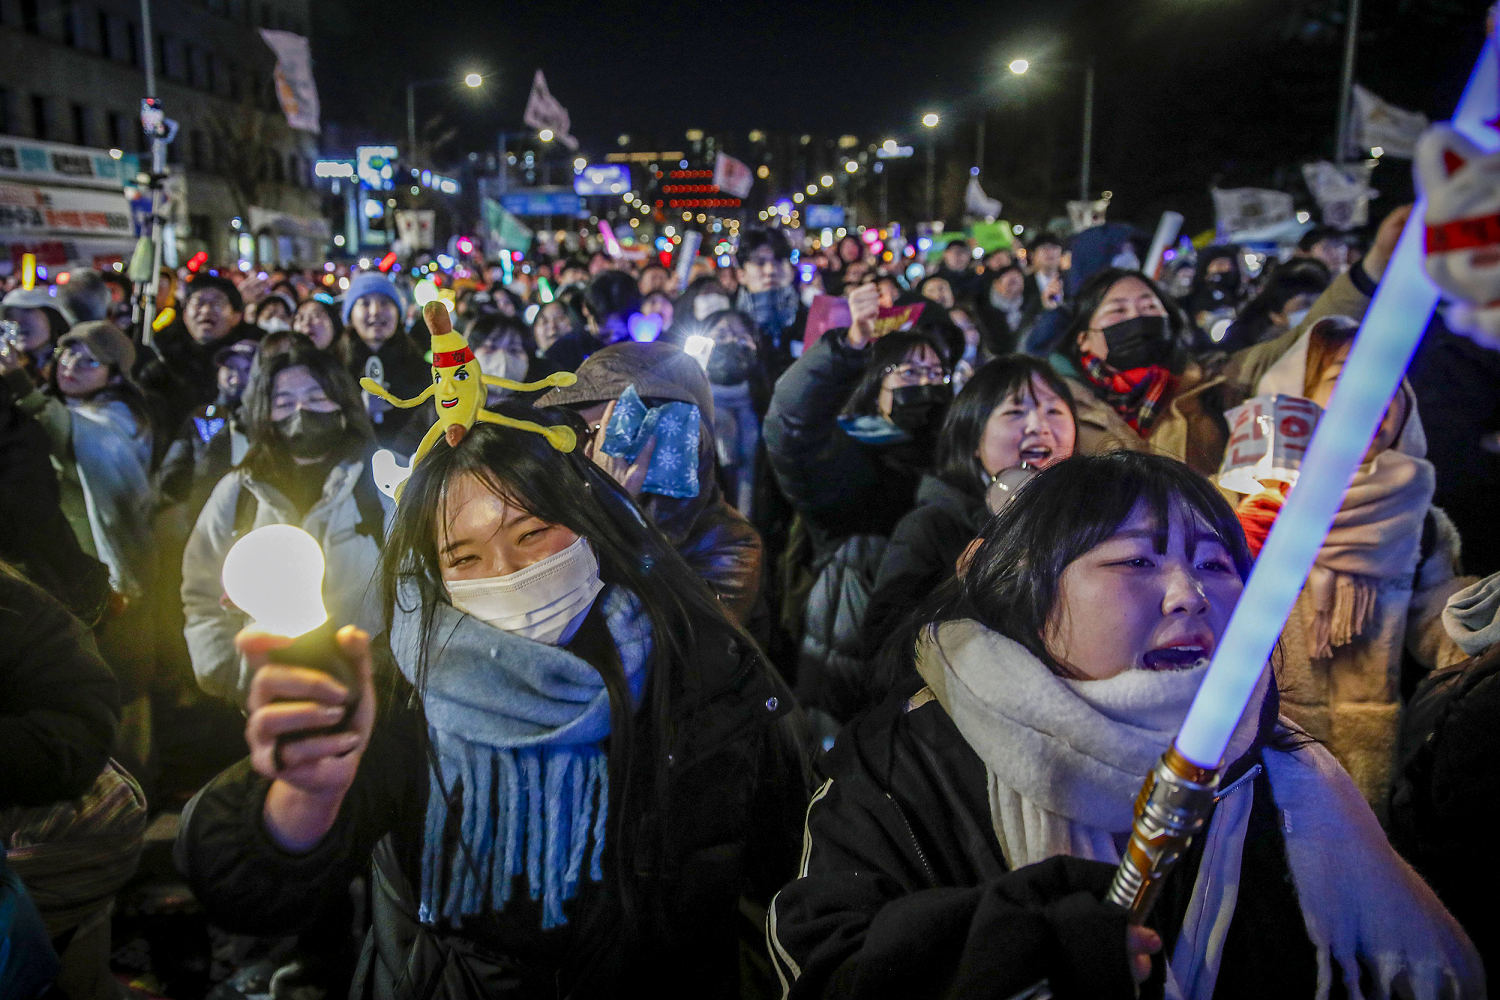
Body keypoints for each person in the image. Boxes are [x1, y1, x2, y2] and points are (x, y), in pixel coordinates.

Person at [767, 451, 1483, 999]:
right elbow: (828, 965)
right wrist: (1008, 953)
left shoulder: (1293, 775)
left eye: (1214, 562)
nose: (1189, 594)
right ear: (1027, 589)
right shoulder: (903, 769)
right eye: (1136, 560)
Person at [175, 405, 806, 998]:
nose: (505, 570)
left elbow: (783, 874)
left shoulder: (703, 671)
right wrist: (305, 796)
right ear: (433, 575)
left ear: (591, 528)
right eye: (464, 556)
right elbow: (253, 890)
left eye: (531, 532)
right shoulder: (401, 689)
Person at [1235, 315, 1470, 815]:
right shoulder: (1240, 505)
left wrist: (1478, 624)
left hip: (1371, 759)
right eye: (1342, 379)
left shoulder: (1419, 521)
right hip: (1258, 750)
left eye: (1386, 381)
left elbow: (1433, 619)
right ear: (1294, 398)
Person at [764, 283, 952, 725]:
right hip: (846, 677)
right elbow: (790, 424)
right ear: (874, 387)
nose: (924, 384)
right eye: (907, 373)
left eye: (935, 373)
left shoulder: (958, 465)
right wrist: (847, 348)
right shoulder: (846, 457)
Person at [182, 338, 387, 706]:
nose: (301, 411)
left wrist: (388, 670)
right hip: (267, 694)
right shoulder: (239, 490)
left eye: (316, 396)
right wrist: (228, 672)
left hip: (372, 692)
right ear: (265, 414)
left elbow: (416, 588)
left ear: (342, 402)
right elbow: (201, 588)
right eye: (284, 402)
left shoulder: (383, 483)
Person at [860, 357, 1077, 686]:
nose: (1039, 425)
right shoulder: (931, 527)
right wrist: (967, 593)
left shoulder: (1094, 525)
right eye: (1014, 412)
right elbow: (885, 654)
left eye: (1055, 411)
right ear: (974, 439)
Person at [538, 340, 765, 628]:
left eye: (610, 432)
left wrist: (616, 513)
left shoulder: (730, 544)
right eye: (582, 432)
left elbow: (668, 644)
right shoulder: (555, 504)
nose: (591, 453)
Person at [137, 273, 263, 434]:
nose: (206, 310)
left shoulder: (255, 360)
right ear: (184, 314)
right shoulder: (160, 362)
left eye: (216, 303)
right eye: (198, 302)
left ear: (236, 316)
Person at [341, 272, 427, 448]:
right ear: (350, 315)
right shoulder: (334, 370)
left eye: (385, 302)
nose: (375, 311)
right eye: (364, 303)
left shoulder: (423, 371)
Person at [1217, 257, 1331, 353]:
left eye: (1320, 302)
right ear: (1276, 315)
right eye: (1305, 304)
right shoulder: (1252, 353)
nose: (1315, 310)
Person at [735, 228, 806, 377]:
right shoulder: (731, 327)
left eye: (778, 261)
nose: (770, 270)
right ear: (741, 274)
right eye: (760, 263)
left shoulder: (810, 319)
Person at [1, 286, 72, 384]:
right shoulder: (6, 369)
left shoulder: (74, 364)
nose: (17, 322)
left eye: (27, 311)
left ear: (52, 317)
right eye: (10, 316)